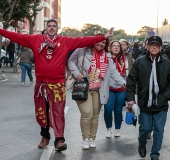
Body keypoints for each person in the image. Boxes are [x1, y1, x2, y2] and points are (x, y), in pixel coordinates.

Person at [0, 19, 114, 152]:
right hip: (41, 85)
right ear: (46, 27)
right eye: (49, 26)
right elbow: (17, 37)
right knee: (41, 111)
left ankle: (59, 140)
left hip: (58, 84)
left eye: (54, 26)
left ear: (57, 28)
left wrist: (103, 37)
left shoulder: (65, 41)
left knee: (58, 112)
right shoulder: (35, 40)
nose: (52, 28)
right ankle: (45, 136)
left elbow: (83, 41)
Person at [68, 36, 125, 150]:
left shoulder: (107, 57)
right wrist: (76, 73)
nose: (101, 44)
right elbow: (71, 61)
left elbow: (113, 72)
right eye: (99, 41)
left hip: (99, 89)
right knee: (87, 113)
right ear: (93, 41)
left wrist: (123, 83)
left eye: (104, 42)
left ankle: (92, 138)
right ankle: (85, 139)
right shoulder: (81, 50)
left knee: (95, 115)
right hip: (83, 87)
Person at [126, 36, 170, 160]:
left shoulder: (167, 62)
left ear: (161, 48)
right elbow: (131, 82)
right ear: (147, 46)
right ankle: (142, 143)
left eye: (157, 45)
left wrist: (165, 96)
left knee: (159, 130)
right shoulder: (140, 62)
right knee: (145, 129)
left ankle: (155, 155)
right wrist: (131, 100)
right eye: (152, 45)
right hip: (144, 103)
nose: (154, 47)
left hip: (161, 105)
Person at [104, 40, 133, 138]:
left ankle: (117, 129)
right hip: (109, 87)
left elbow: (132, 70)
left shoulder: (126, 57)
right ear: (110, 48)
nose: (116, 47)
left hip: (122, 87)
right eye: (114, 46)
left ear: (121, 48)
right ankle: (108, 128)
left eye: (118, 46)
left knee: (118, 109)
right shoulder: (106, 57)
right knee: (108, 108)